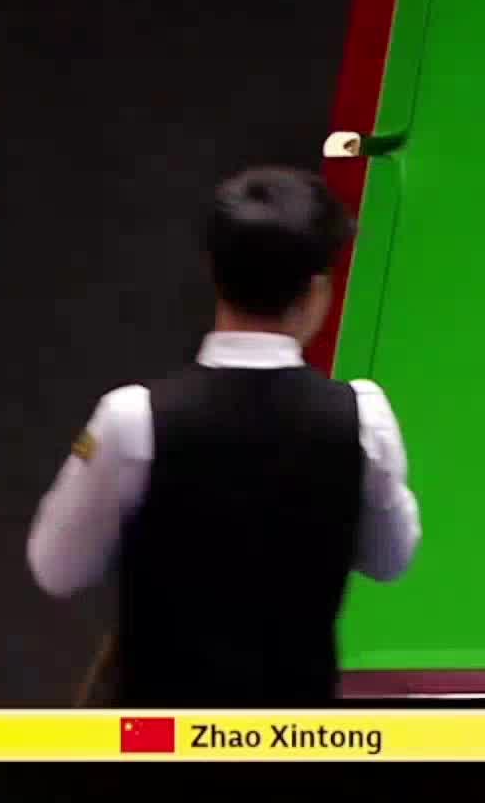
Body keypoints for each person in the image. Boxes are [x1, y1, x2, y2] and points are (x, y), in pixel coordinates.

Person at [26, 166, 422, 707]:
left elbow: (57, 568)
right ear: (316, 290)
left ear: (214, 272)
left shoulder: (130, 418)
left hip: (156, 738)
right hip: (294, 736)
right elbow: (391, 560)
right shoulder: (363, 417)